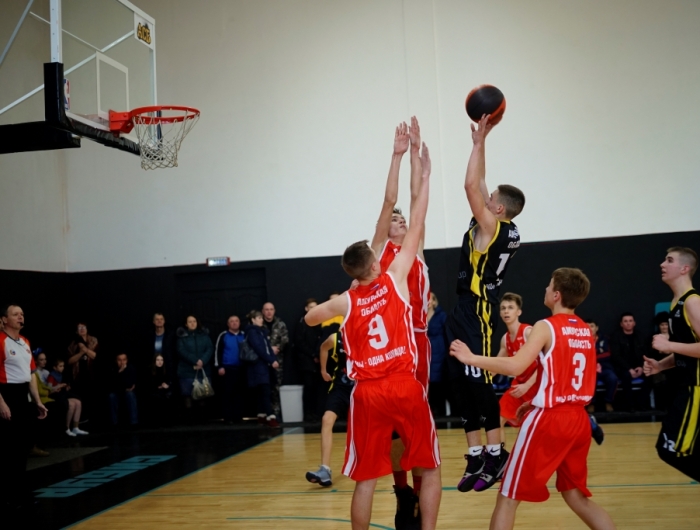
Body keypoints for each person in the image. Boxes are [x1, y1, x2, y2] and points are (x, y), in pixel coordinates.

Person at [304, 141, 441, 530]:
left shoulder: (346, 299)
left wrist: (339, 302)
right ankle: (410, 499)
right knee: (430, 465)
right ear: (374, 261)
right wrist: (423, 171)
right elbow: (414, 214)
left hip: (367, 390)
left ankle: (398, 497)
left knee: (365, 479)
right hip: (402, 377)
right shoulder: (395, 276)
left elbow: (311, 319)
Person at [450, 268, 616, 530]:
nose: (545, 289)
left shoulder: (545, 326)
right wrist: (538, 397)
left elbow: (516, 365)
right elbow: (564, 372)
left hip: (550, 420)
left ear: (557, 295)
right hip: (579, 419)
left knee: (507, 497)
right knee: (576, 496)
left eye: (549, 285)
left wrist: (471, 358)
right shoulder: (585, 330)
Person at [446, 114, 525, 493]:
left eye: (491, 198)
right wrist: (483, 140)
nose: (485, 196)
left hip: (477, 309)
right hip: (464, 307)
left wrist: (478, 144)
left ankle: (496, 453)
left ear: (498, 209)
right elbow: (478, 182)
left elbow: (468, 185)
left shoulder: (492, 228)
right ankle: (476, 454)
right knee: (460, 383)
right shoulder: (498, 225)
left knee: (478, 383)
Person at [370, 117, 431, 526]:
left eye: (403, 220)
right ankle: (401, 490)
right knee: (394, 428)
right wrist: (396, 155)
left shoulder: (415, 248)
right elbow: (391, 198)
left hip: (419, 342)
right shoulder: (378, 253)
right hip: (391, 347)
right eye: (395, 220)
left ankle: (420, 489)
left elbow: (413, 198)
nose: (401, 221)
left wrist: (416, 158)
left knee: (417, 424)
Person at [643, 247, 700, 481]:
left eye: (669, 260)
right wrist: (661, 365)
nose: (662, 264)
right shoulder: (676, 304)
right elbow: (687, 351)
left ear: (684, 269)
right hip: (687, 387)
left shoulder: (692, 302)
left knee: (672, 450)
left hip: (697, 389)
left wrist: (669, 345)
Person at [0, 304, 49, 510]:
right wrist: (2, 403)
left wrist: (37, 402)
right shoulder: (0, 341)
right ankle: (8, 494)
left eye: (22, 314)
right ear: (4, 319)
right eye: (15, 314)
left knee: (21, 448)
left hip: (22, 396)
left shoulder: (25, 342)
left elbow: (30, 375)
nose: (21, 317)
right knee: (9, 449)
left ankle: (21, 492)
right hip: (6, 395)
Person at [305, 329, 354, 487]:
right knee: (327, 419)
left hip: (361, 387)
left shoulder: (369, 336)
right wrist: (323, 370)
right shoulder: (336, 338)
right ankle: (325, 470)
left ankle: (380, 462)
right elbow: (323, 348)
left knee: (369, 426)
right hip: (340, 387)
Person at [494, 293, 536, 443]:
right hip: (519, 385)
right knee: (497, 419)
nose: (506, 311)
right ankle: (500, 455)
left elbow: (547, 363)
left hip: (537, 384)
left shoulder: (528, 332)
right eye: (503, 308)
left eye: (510, 308)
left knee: (537, 429)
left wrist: (528, 385)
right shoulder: (505, 339)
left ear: (519, 312)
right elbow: (496, 366)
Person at [245, 310, 280, 427]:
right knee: (265, 391)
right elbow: (259, 349)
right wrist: (271, 360)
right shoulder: (252, 332)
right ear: (252, 320)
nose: (261, 320)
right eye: (259, 318)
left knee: (262, 392)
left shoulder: (261, 332)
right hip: (257, 366)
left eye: (261, 318)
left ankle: (261, 415)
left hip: (263, 365)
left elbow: (267, 348)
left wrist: (273, 359)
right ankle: (270, 416)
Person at [609, 312, 651, 411]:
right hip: (622, 368)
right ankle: (630, 404)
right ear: (621, 324)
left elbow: (646, 353)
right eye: (625, 321)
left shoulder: (640, 336)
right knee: (626, 376)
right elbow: (616, 356)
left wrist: (641, 366)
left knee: (651, 375)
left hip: (639, 366)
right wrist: (629, 369)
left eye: (630, 321)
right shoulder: (616, 336)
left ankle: (641, 402)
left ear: (634, 323)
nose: (628, 323)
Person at [176, 315, 214, 419]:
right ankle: (190, 420)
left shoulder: (204, 336)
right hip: (186, 371)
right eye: (190, 321)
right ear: (186, 324)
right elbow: (181, 351)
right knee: (187, 396)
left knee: (202, 396)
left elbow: (210, 348)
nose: (192, 323)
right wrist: (195, 360)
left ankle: (201, 420)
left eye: (194, 321)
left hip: (203, 370)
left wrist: (203, 360)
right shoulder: (181, 337)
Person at [294, 299, 323, 421]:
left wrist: (318, 354)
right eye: (311, 307)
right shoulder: (301, 323)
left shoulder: (319, 322)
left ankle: (316, 413)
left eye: (315, 307)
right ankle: (308, 413)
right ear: (306, 308)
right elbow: (299, 343)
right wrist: (313, 354)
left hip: (318, 360)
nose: (313, 309)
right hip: (306, 361)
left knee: (316, 388)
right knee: (309, 387)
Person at [44, 356, 88, 436]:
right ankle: (66, 428)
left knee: (78, 401)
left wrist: (65, 386)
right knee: (71, 404)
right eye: (60, 366)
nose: (62, 368)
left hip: (61, 393)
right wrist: (59, 386)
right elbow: (49, 388)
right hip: (54, 395)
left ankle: (75, 427)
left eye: (63, 366)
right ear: (55, 367)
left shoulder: (61, 374)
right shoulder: (52, 376)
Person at [214, 315, 246, 424]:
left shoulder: (244, 335)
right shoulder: (223, 335)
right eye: (232, 321)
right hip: (227, 369)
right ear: (228, 324)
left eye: (236, 321)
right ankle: (228, 418)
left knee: (240, 394)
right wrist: (219, 366)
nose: (234, 323)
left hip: (241, 369)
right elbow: (217, 351)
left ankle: (238, 417)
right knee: (227, 394)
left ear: (240, 323)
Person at [262, 302, 289, 418]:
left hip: (277, 361)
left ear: (274, 311)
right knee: (264, 388)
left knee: (276, 387)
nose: (269, 312)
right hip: (262, 361)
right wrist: (268, 349)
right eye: (266, 309)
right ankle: (266, 413)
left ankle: (276, 413)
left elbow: (285, 339)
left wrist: (277, 348)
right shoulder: (259, 324)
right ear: (263, 311)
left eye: (271, 309)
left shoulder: (280, 324)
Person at [585, 319, 618, 413]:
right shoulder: (579, 340)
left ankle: (608, 402)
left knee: (613, 378)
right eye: (586, 326)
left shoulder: (605, 339)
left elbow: (608, 354)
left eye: (591, 326)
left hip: (604, 367)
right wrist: (598, 353)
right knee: (589, 380)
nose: (589, 328)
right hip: (588, 369)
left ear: (596, 328)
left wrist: (592, 356)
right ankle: (591, 403)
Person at [427, 293, 449, 418]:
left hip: (439, 354)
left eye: (429, 298)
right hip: (425, 354)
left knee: (438, 385)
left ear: (434, 302)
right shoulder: (417, 316)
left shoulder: (441, 316)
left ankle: (440, 415)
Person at [108, 353, 138, 428]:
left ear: (127, 360)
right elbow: (111, 385)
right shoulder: (113, 369)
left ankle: (134, 423)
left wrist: (121, 386)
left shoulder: (130, 368)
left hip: (126, 392)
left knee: (130, 395)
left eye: (124, 360)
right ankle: (114, 424)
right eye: (120, 360)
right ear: (116, 361)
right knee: (111, 396)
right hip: (117, 392)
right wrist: (120, 372)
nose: (122, 362)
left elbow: (130, 384)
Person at [146, 354, 174, 425]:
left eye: (161, 360)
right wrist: (159, 386)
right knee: (157, 398)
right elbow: (149, 384)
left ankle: (166, 421)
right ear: (154, 361)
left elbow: (169, 381)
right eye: (158, 360)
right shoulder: (149, 370)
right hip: (153, 391)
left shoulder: (166, 370)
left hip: (164, 391)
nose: (160, 362)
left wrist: (167, 386)